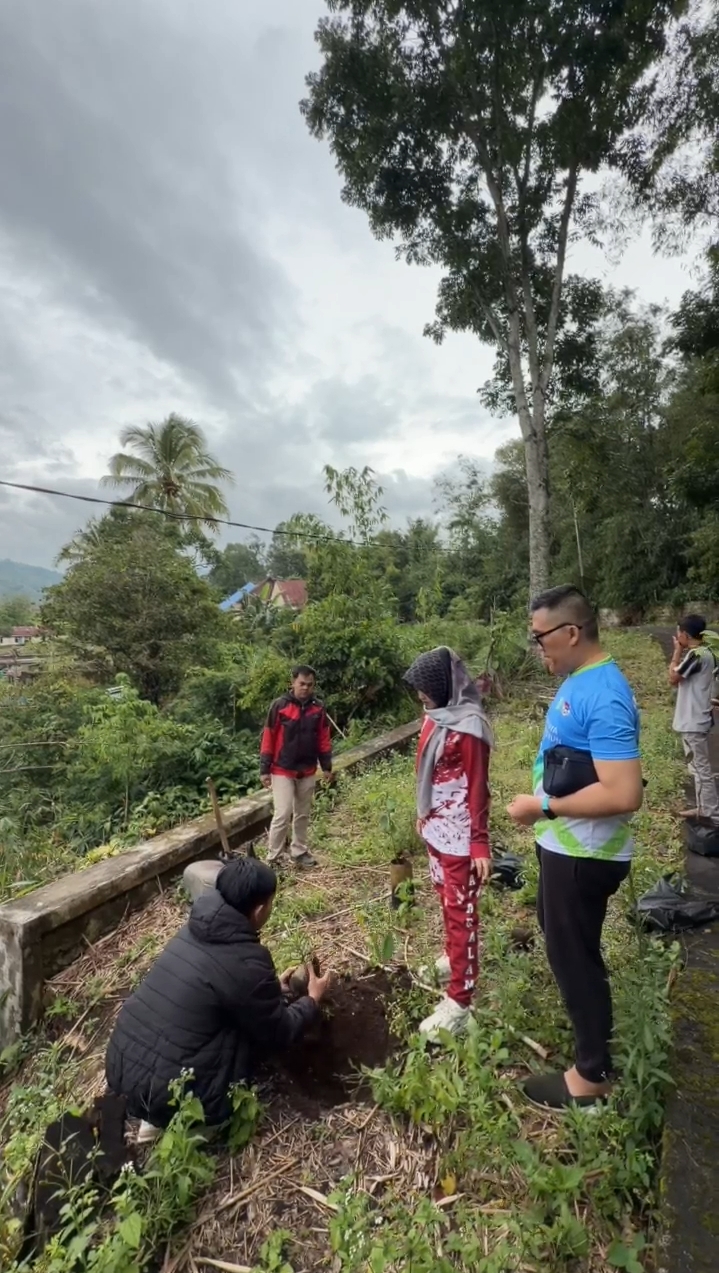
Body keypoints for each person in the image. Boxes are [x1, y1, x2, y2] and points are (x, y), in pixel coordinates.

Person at [507, 585, 643, 1111]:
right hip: (566, 846)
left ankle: (592, 1077)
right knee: (563, 939)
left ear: (570, 632)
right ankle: (591, 1039)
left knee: (574, 957)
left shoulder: (602, 694)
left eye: (540, 637)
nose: (537, 646)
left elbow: (622, 790)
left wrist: (542, 809)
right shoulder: (582, 681)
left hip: (582, 853)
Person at [105, 857, 330, 1140]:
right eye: (271, 903)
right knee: (248, 1039)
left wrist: (271, 991)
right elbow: (279, 1033)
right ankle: (193, 1127)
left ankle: (153, 1117)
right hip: (170, 1094)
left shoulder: (191, 932)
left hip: (122, 1070)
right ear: (259, 911)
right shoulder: (248, 960)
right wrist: (311, 999)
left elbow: (218, 989)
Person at [404, 646, 493, 1039]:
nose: (420, 695)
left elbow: (478, 788)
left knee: (462, 912)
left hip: (459, 836)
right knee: (445, 900)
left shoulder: (469, 727)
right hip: (436, 829)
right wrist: (424, 812)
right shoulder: (435, 717)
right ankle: (452, 958)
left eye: (425, 687)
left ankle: (460, 1000)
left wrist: (479, 843)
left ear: (443, 685)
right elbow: (426, 770)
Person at [260, 665, 333, 868]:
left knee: (302, 813)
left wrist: (326, 766)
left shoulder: (318, 708)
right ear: (292, 682)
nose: (305, 688)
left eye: (310, 685)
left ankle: (299, 850)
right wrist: (264, 769)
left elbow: (324, 739)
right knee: (282, 813)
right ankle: (273, 857)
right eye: (302, 684)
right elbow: (268, 737)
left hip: (308, 769)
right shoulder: (279, 706)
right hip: (282, 769)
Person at [669, 613, 719, 826]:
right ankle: (703, 808)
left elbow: (673, 677)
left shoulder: (696, 655)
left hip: (693, 720)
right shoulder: (708, 653)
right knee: (698, 768)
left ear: (685, 634)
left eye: (679, 632)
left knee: (701, 769)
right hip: (699, 717)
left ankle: (713, 816)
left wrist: (677, 651)